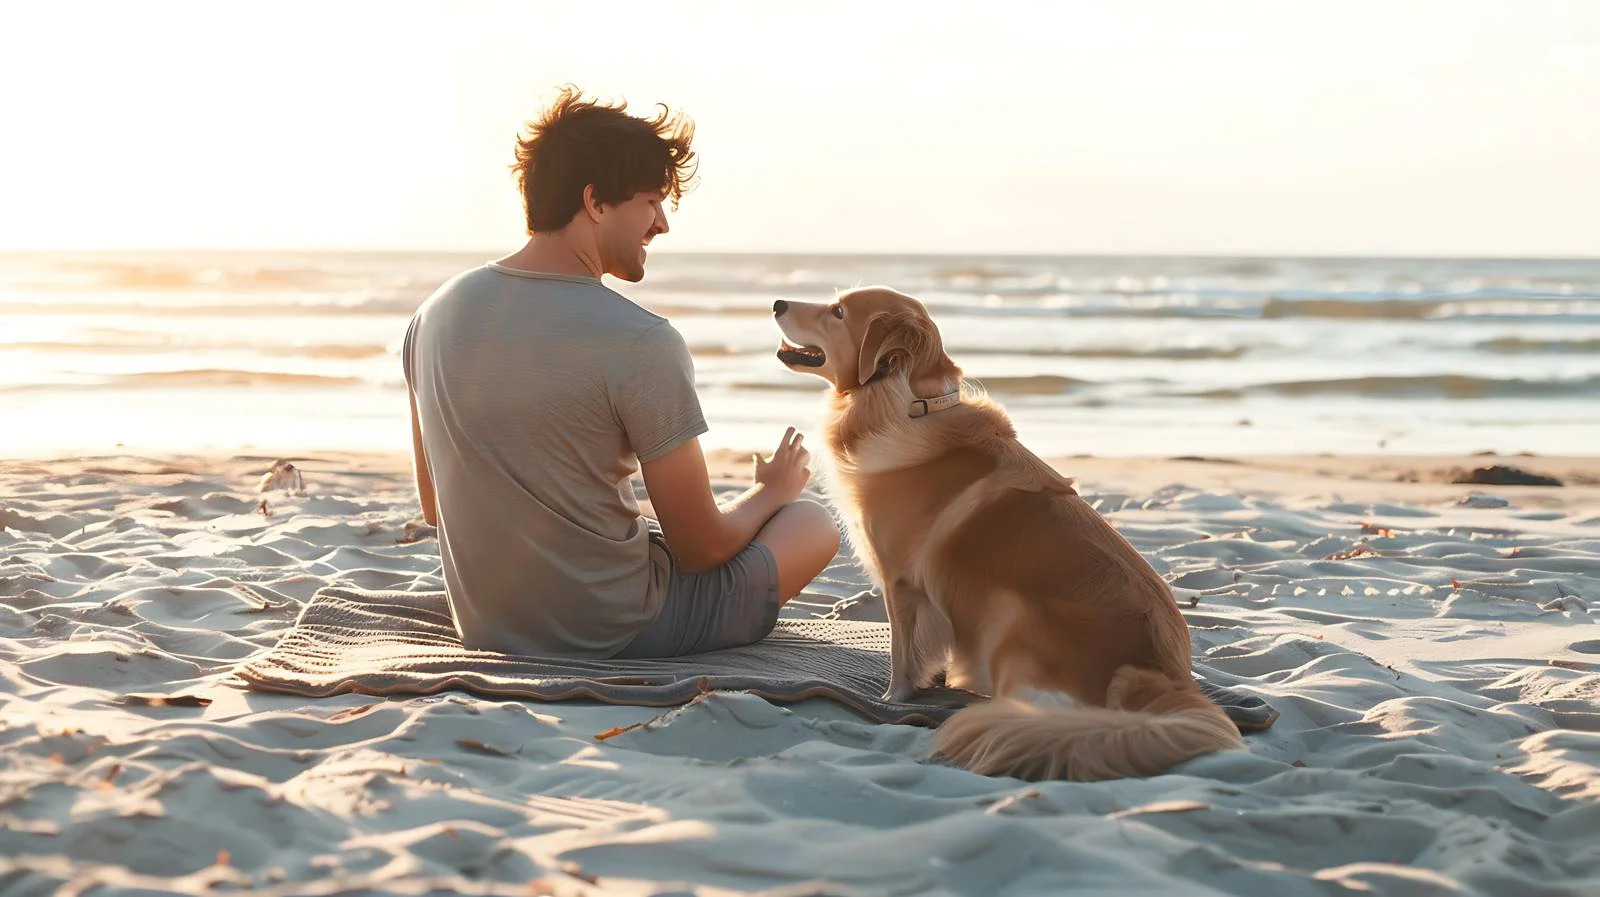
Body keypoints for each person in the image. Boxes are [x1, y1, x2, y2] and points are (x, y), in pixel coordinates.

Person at [402, 86, 840, 660]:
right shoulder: (641, 340)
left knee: (655, 521)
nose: (661, 224)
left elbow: (436, 509)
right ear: (595, 202)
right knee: (811, 522)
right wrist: (769, 492)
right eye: (652, 202)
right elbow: (700, 548)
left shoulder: (432, 314)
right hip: (616, 628)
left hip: (488, 626)